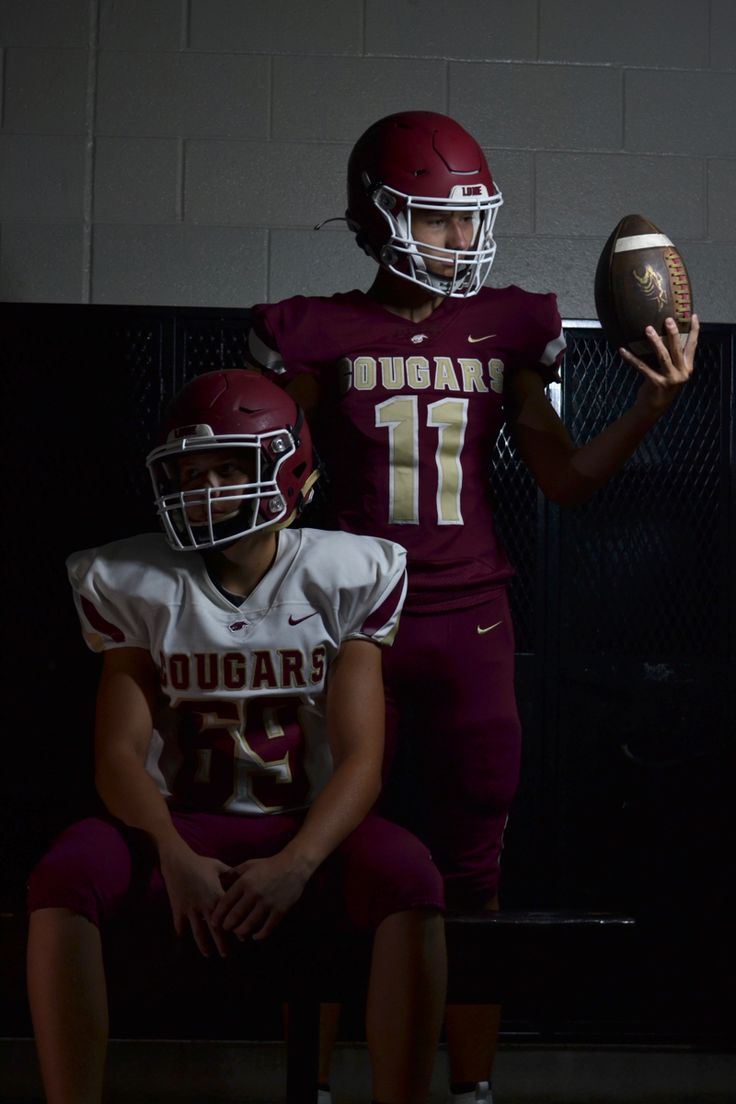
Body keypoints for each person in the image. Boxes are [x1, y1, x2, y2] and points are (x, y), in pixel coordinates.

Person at [245, 110, 699, 1103]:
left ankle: (470, 1090)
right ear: (378, 215)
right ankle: (308, 1088)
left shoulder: (510, 325)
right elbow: (267, 497)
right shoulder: (311, 333)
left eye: (470, 220)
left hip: (470, 623)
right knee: (316, 861)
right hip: (346, 628)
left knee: (472, 873)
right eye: (440, 221)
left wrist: (650, 409)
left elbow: (566, 481)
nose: (464, 241)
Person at [26, 368, 447, 1104]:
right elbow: (118, 754)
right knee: (62, 876)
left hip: (303, 822)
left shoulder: (345, 571)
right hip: (179, 820)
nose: (208, 488)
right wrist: (171, 851)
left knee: (411, 875)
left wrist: (299, 860)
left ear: (288, 468)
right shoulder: (133, 576)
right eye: (191, 473)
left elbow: (362, 760)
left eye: (229, 467)